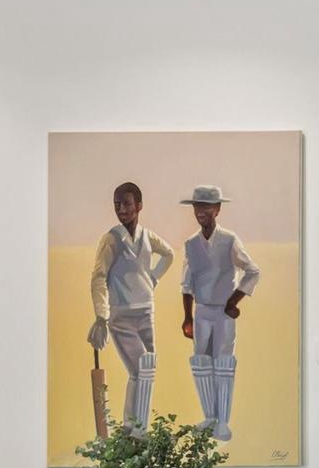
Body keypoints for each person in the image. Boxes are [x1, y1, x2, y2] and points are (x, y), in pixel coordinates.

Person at [87, 181, 175, 427]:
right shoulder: (112, 239)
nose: (122, 210)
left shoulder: (147, 236)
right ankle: (132, 429)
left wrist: (153, 278)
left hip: (146, 312)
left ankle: (138, 429)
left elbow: (169, 254)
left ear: (139, 205)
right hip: (121, 317)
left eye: (126, 204)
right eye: (117, 205)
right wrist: (102, 316)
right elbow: (98, 277)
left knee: (148, 371)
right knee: (139, 371)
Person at [178, 185, 261, 442]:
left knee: (223, 365)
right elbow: (186, 283)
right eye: (197, 206)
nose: (200, 211)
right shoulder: (191, 244)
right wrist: (188, 317)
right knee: (202, 364)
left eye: (206, 206)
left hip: (223, 314)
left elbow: (253, 271)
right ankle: (210, 417)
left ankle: (223, 422)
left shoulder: (229, 240)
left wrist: (234, 301)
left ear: (217, 209)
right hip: (202, 311)